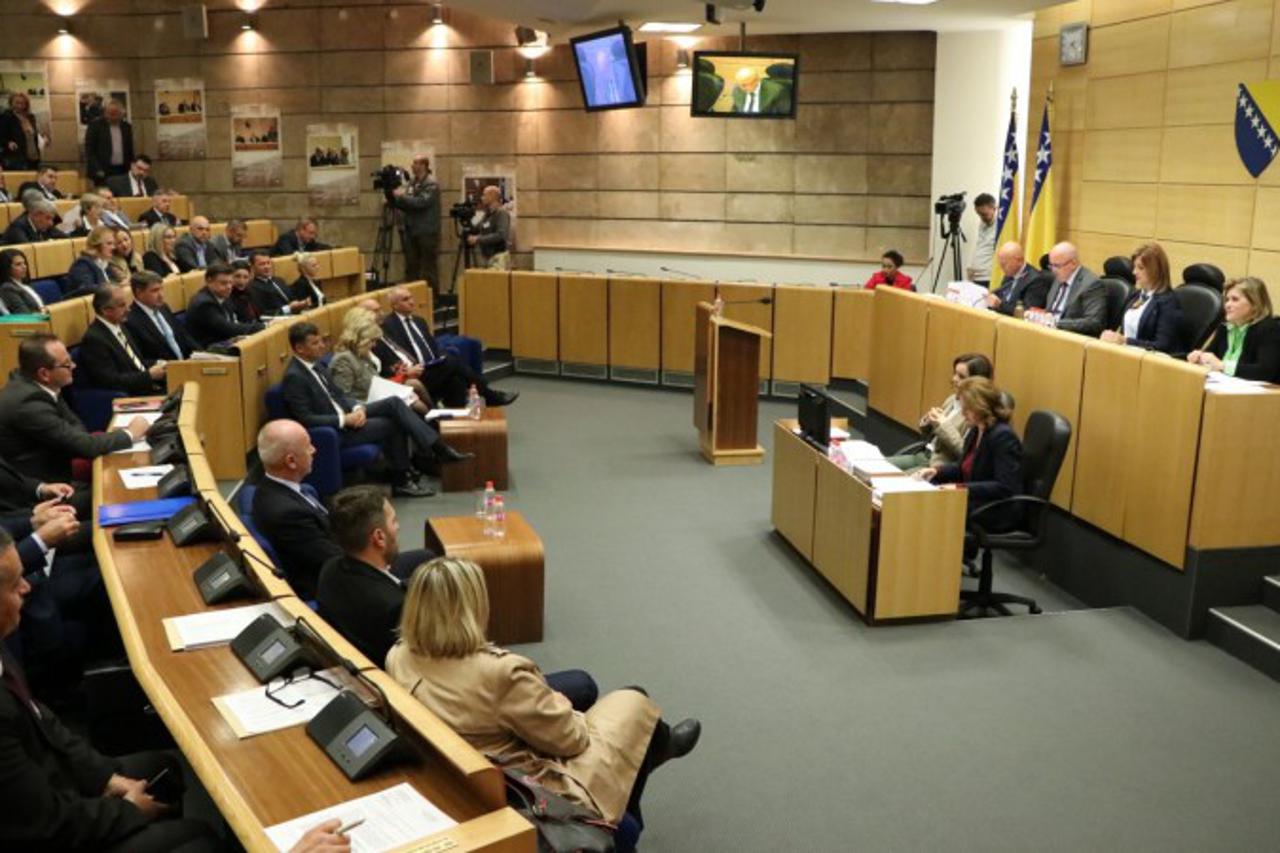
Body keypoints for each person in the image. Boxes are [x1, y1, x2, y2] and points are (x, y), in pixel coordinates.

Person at [387, 557, 701, 828]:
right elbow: (571, 740)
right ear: (473, 606)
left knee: (607, 702)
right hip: (531, 785)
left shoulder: (398, 656)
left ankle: (655, 750)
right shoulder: (500, 672)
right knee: (634, 698)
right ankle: (643, 778)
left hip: (466, 769)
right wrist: (560, 705)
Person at [0, 526, 224, 852]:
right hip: (46, 829)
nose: (26, 587)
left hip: (47, 785)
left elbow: (43, 721)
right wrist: (129, 811)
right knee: (201, 841)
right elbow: (45, 823)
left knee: (163, 770)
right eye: (13, 584)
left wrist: (104, 777)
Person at [281, 322, 471, 498]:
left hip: (348, 414)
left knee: (394, 403)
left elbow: (339, 395)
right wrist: (345, 419)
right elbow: (305, 418)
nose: (322, 346)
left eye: (321, 341)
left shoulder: (317, 366)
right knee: (395, 421)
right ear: (299, 348)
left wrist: (356, 408)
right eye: (315, 343)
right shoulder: (295, 377)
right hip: (336, 430)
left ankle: (434, 452)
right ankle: (412, 470)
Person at [0, 334, 150, 483]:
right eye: (67, 364)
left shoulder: (40, 384)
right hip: (41, 486)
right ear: (44, 374)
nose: (74, 366)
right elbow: (86, 446)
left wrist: (79, 441)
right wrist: (130, 433)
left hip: (58, 466)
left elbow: (77, 430)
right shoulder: (29, 404)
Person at [378, 286, 517, 408]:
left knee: (455, 379)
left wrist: (439, 357)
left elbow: (431, 345)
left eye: (411, 297)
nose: (411, 302)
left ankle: (456, 421)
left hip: (432, 366)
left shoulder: (419, 321)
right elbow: (394, 353)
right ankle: (489, 395)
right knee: (451, 361)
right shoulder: (389, 325)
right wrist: (410, 369)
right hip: (416, 373)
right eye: (405, 299)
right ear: (394, 305)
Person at [916, 376, 1024, 533]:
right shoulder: (976, 429)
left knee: (936, 506)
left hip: (996, 508)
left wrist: (959, 488)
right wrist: (936, 471)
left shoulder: (1003, 436)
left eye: (967, 408)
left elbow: (1004, 487)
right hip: (976, 498)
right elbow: (963, 468)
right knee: (925, 490)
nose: (963, 412)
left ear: (981, 407)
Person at [887, 353, 993, 471]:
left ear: (976, 382)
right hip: (923, 456)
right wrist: (928, 421)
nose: (954, 379)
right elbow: (929, 434)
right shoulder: (952, 399)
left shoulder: (977, 413)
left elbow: (965, 454)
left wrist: (943, 424)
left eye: (961, 377)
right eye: (955, 373)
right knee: (877, 466)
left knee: (891, 480)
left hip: (939, 466)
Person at [330, 307, 428, 413]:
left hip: (379, 395)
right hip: (365, 406)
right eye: (372, 341)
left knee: (414, 398)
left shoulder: (362, 354)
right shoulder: (344, 359)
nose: (374, 345)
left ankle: (436, 417)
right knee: (415, 403)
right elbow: (344, 397)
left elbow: (376, 382)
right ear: (362, 340)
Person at [1188, 276, 1280, 382]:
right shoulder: (1226, 326)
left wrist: (1222, 366)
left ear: (1255, 304)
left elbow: (1265, 371)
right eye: (1227, 300)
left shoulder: (1268, 329)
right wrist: (1199, 357)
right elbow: (1211, 355)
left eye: (1235, 299)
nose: (1227, 305)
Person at [79, 285, 167, 395]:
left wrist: (160, 363)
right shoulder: (94, 339)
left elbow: (135, 362)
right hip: (133, 396)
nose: (128, 309)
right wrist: (149, 376)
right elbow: (111, 381)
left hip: (150, 387)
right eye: (122, 305)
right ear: (105, 310)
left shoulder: (120, 325)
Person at [1100, 242, 1184, 355]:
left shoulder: (1169, 302)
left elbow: (1162, 346)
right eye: (1134, 267)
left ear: (1155, 270)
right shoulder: (1136, 295)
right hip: (1126, 355)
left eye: (1140, 268)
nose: (1134, 272)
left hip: (1152, 360)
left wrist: (1125, 341)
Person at [390, 154, 441, 295]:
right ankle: (412, 296)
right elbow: (408, 203)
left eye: (416, 163)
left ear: (423, 165)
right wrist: (394, 198)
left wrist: (402, 196)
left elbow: (421, 202)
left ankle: (432, 298)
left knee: (428, 267)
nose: (412, 166)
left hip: (426, 231)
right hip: (411, 230)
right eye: (413, 163)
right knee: (411, 266)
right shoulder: (412, 183)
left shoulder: (431, 184)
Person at [184, 263, 265, 348]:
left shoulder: (222, 295)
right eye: (224, 283)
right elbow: (229, 328)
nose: (229, 287)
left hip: (225, 342)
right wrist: (263, 326)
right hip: (209, 350)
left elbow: (234, 322)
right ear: (209, 281)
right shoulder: (205, 304)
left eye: (230, 282)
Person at [1038, 241, 1106, 337]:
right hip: (1048, 332)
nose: (1053, 270)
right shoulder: (1060, 277)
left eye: (1057, 266)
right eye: (1051, 266)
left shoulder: (1091, 284)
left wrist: (1056, 323)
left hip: (1070, 337)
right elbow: (1050, 311)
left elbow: (1094, 322)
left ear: (1073, 263)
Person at [126, 271, 198, 361]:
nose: (161, 295)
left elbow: (183, 335)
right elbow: (140, 359)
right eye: (155, 291)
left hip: (187, 363)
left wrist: (201, 354)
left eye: (161, 289)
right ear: (139, 292)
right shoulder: (130, 321)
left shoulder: (163, 307)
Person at [986, 242, 1052, 315]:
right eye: (1000, 263)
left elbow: (1027, 312)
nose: (1001, 267)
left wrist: (1000, 305)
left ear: (1018, 260)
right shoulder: (1010, 274)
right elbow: (1000, 296)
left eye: (1004, 264)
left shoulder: (1037, 280)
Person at [83, 99, 134, 185]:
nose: (113, 116)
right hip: (102, 171)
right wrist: (97, 169)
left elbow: (130, 150)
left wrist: (132, 167)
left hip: (122, 170)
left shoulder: (126, 127)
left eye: (116, 113)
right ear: (105, 113)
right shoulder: (95, 126)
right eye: (110, 113)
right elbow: (89, 150)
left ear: (122, 114)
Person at [248, 249, 310, 316]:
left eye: (268, 263)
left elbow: (292, 298)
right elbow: (264, 314)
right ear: (252, 267)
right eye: (262, 264)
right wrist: (289, 308)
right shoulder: (252, 287)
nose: (267, 267)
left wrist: (301, 304)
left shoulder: (279, 280)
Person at [466, 185, 511, 270]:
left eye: (484, 195)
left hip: (499, 258)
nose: (482, 198)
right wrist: (468, 218)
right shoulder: (487, 215)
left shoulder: (501, 213)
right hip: (488, 258)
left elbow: (501, 235)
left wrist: (478, 239)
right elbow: (476, 229)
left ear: (492, 196)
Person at [63, 225, 116, 298]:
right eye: (109, 244)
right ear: (96, 245)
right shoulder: (82, 264)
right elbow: (86, 288)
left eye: (113, 244)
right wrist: (111, 287)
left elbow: (116, 282)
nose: (113, 247)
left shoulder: (106, 264)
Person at [0, 92, 44, 169]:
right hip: (16, 159)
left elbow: (34, 135)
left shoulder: (30, 117)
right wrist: (8, 143)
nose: (20, 106)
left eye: (23, 103)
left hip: (33, 157)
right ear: (11, 103)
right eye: (17, 103)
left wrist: (43, 138)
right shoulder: (6, 117)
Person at [0, 248, 46, 313]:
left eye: (24, 263)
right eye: (18, 264)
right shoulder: (7, 288)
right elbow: (24, 313)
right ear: (6, 267)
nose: (24, 267)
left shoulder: (24, 284)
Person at [967, 193, 997, 286]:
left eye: (984, 214)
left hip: (989, 277)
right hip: (976, 276)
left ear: (994, 208)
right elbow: (982, 247)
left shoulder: (1002, 226)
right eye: (979, 214)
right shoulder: (983, 223)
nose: (981, 218)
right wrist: (972, 267)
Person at [228, 259, 259, 323]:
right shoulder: (226, 296)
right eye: (237, 276)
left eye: (245, 277)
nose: (241, 281)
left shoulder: (251, 292)